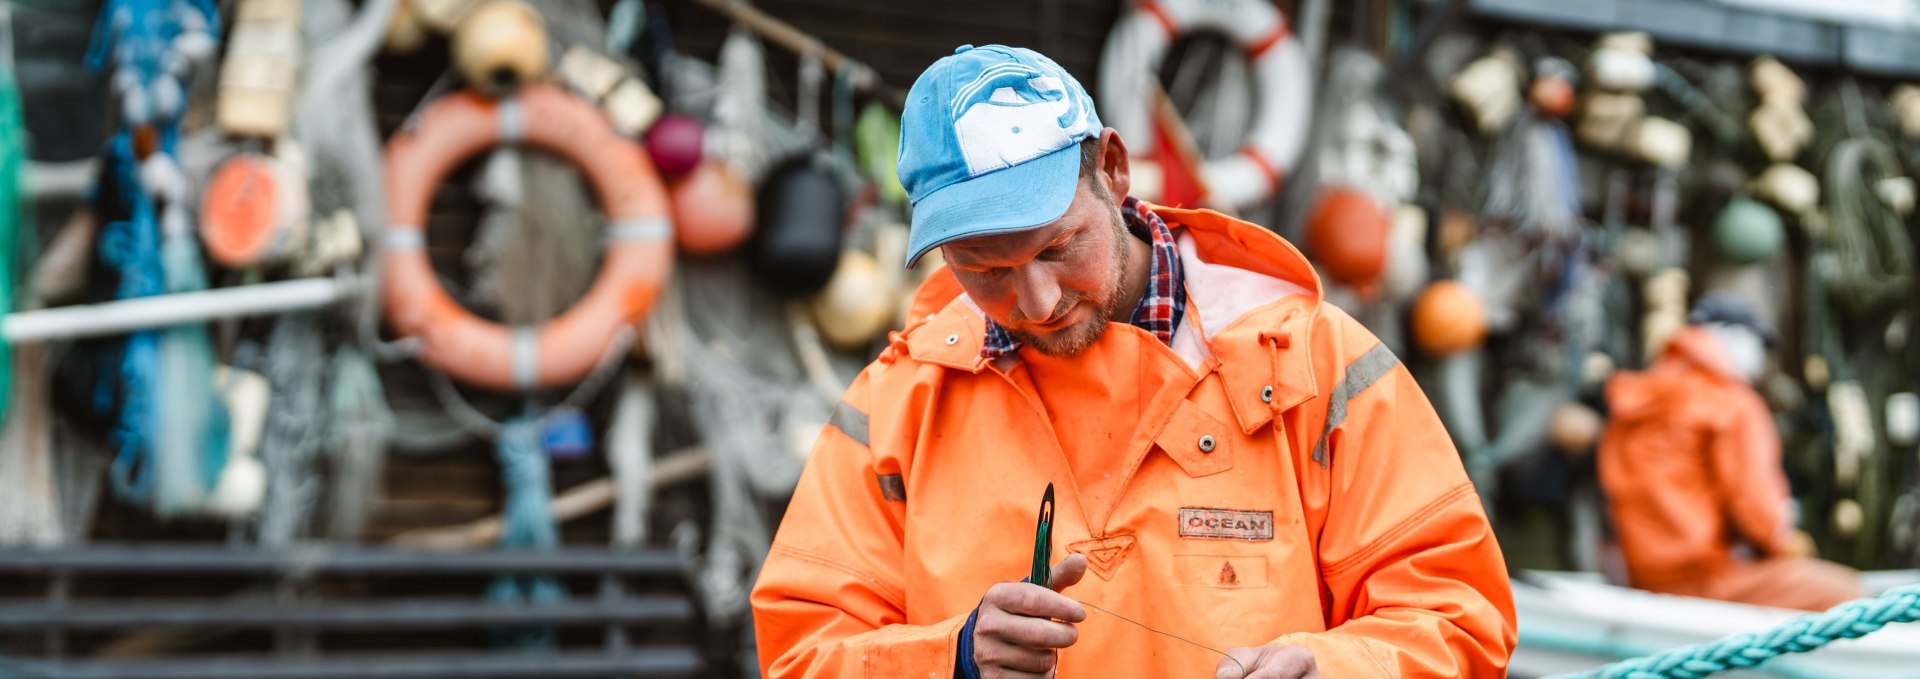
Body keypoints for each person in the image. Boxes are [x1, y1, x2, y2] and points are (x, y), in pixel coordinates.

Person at [750, 44, 1515, 679]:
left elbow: (1461, 620)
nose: (1039, 299)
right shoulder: (900, 398)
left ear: (1113, 169)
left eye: (1057, 246)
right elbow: (802, 650)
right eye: (985, 269)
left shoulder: (1317, 363)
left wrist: (1333, 669)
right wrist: (948, 657)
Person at [1599, 292, 1865, 611]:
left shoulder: (1640, 394)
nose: (1760, 359)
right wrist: (1787, 543)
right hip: (1700, 580)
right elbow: (1759, 514)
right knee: (1850, 594)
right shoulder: (1731, 402)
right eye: (1760, 346)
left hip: (1640, 576)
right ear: (1734, 337)